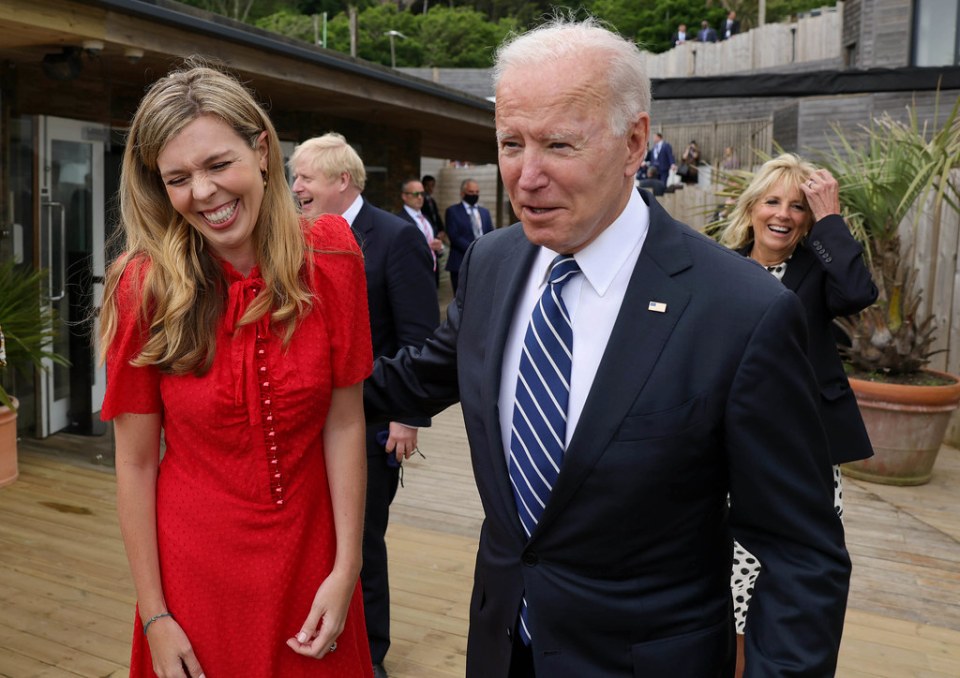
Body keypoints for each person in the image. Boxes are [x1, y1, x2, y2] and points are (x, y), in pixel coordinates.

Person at [364, 17, 850, 678]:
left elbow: (802, 554)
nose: (525, 176)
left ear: (635, 143)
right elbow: (417, 378)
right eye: (510, 143)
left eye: (559, 144)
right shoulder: (492, 263)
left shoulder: (743, 312)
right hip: (499, 647)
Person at [99, 63, 373, 676]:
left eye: (218, 164)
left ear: (263, 150)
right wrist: (155, 615)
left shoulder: (332, 255)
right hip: (194, 579)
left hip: (313, 562)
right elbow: (137, 460)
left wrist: (346, 566)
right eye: (178, 178)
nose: (203, 193)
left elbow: (345, 422)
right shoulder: (144, 288)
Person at [719, 153, 877, 677]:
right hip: (732, 450)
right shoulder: (723, 271)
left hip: (805, 455)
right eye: (772, 202)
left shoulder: (817, 273)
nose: (783, 214)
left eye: (797, 207)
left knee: (796, 572)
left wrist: (830, 216)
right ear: (752, 209)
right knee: (733, 572)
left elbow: (858, 292)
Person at [290, 133, 439, 678]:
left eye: (305, 176)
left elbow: (421, 340)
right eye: (295, 175)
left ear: (342, 180)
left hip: (374, 423)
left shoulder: (396, 238)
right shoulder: (297, 239)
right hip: (312, 426)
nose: (296, 186)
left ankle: (370, 655)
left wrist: (407, 417)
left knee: (363, 544)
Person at [444, 178, 492, 294]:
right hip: (460, 262)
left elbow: (490, 233)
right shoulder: (452, 211)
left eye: (477, 192)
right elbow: (454, 237)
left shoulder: (484, 212)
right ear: (462, 193)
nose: (474, 195)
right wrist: (476, 249)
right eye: (471, 192)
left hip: (483, 262)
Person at [397, 177, 445, 285]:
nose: (420, 197)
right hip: (412, 279)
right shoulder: (399, 221)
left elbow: (434, 247)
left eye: (422, 194)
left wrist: (440, 248)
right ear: (404, 196)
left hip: (432, 277)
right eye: (415, 194)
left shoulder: (427, 219)